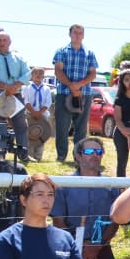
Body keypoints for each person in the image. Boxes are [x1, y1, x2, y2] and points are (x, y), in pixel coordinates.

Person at [52, 24, 99, 163]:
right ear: (70, 34)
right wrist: (71, 85)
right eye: (75, 32)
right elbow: (58, 71)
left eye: (80, 32)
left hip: (84, 94)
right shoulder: (61, 51)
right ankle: (61, 156)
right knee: (62, 127)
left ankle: (79, 157)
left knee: (81, 128)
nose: (77, 35)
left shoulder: (89, 53)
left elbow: (93, 74)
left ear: (83, 35)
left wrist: (78, 85)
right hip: (64, 93)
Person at [0, 31, 30, 162]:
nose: (2, 43)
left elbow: (27, 74)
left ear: (9, 42)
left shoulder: (19, 58)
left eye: (4, 40)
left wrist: (15, 86)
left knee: (20, 124)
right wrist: (5, 87)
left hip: (16, 94)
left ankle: (23, 154)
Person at [21, 67, 54, 162]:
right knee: (29, 134)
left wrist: (39, 113)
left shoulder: (47, 88)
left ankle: (38, 156)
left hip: (43, 115)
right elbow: (25, 100)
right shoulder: (26, 87)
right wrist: (33, 112)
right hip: (29, 113)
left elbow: (48, 102)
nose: (38, 76)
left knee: (41, 134)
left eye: (41, 74)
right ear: (32, 75)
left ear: (44, 76)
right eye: (36, 73)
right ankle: (29, 155)